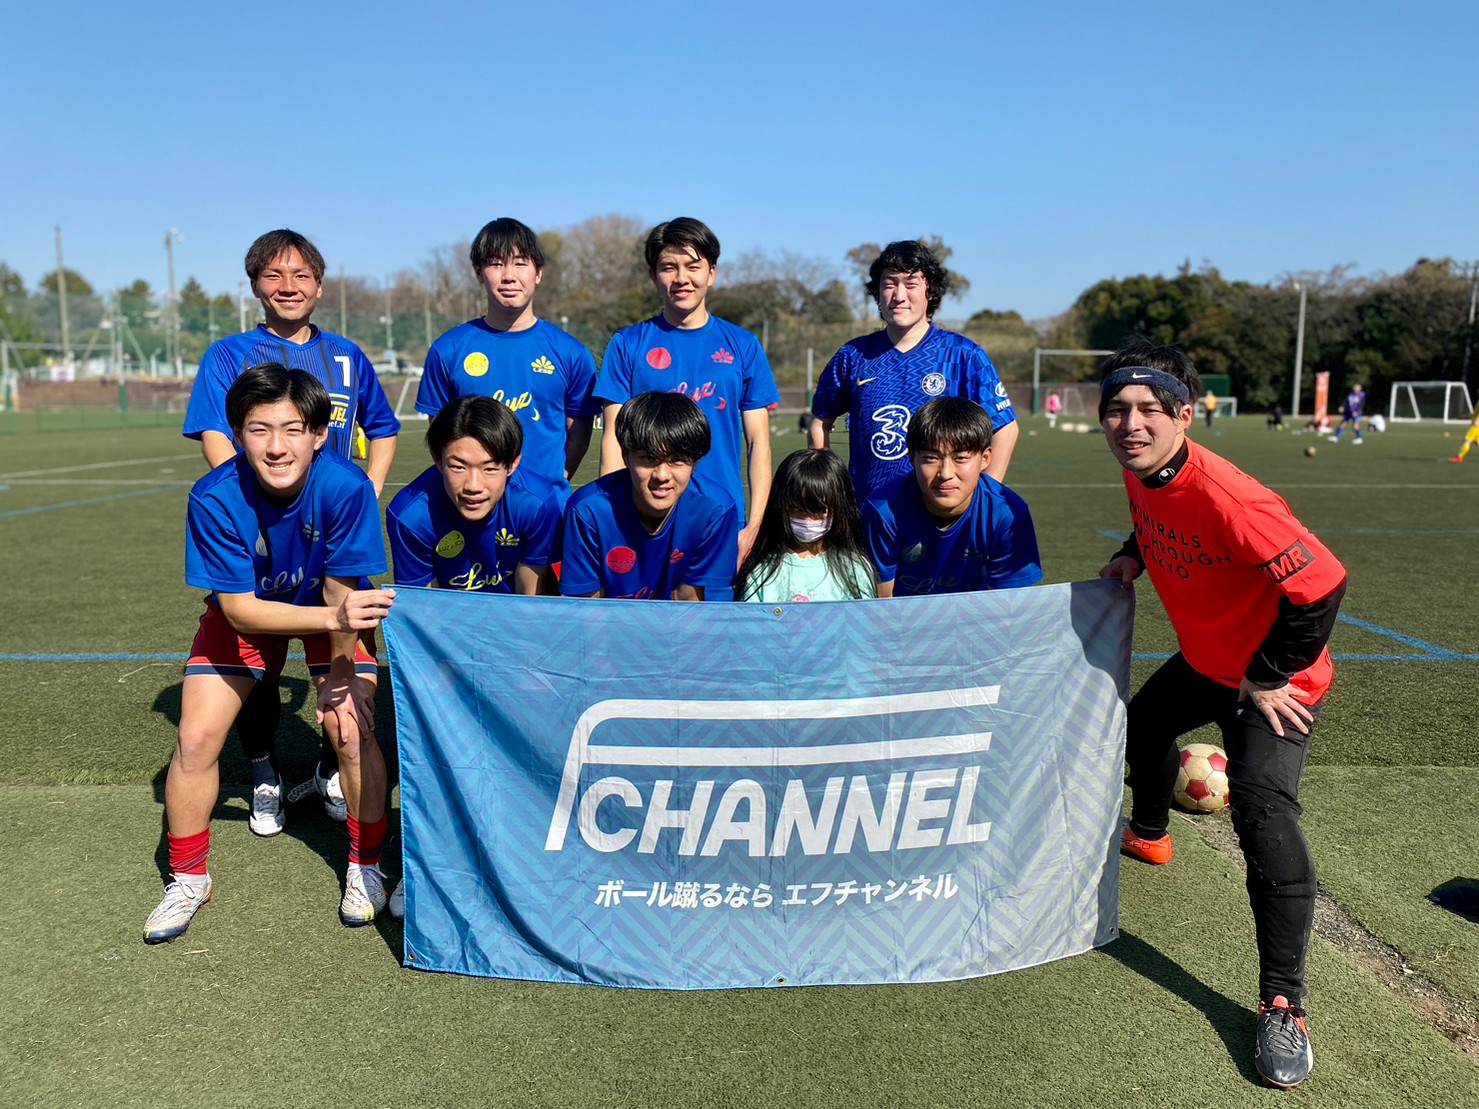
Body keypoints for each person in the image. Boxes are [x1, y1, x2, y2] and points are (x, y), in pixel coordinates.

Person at [1097, 336, 1347, 1089]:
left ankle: (1283, 1003)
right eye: (1116, 409)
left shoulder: (1231, 496)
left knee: (1262, 814)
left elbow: (1323, 584)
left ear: (1182, 415)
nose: (1130, 423)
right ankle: (1150, 834)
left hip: (1272, 681)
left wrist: (1267, 674)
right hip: (1209, 663)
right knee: (1143, 725)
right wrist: (1133, 554)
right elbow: (1154, 517)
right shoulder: (1143, 467)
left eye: (1148, 409)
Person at [144, 366, 397, 944]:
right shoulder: (213, 495)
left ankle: (366, 865)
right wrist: (332, 620)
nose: (276, 446)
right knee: (194, 741)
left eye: (292, 429)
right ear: (237, 434)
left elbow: (341, 593)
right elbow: (239, 612)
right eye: (259, 430)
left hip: (330, 610)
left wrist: (340, 671)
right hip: (261, 613)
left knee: (352, 731)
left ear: (319, 435)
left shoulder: (348, 487)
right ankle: (188, 879)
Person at [182, 229, 400, 836]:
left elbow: (383, 428)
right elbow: (217, 437)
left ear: (320, 286)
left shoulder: (347, 356)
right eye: (274, 275)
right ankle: (263, 771)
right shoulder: (229, 355)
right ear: (255, 285)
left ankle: (331, 768)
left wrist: (367, 490)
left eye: (301, 275)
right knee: (260, 672)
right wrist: (259, 503)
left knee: (344, 675)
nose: (288, 286)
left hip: (333, 536)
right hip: (264, 541)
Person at [594, 217, 780, 568]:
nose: (682, 278)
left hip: (723, 519)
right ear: (653, 275)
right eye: (669, 267)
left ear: (712, 273)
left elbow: (759, 444)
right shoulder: (627, 345)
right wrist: (614, 524)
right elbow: (613, 444)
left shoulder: (743, 345)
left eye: (693, 266)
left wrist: (755, 527)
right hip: (645, 522)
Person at [809, 240, 1019, 505]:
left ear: (930, 290)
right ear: (877, 292)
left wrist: (986, 498)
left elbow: (1006, 428)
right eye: (889, 284)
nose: (898, 295)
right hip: (868, 512)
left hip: (940, 515)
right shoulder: (853, 356)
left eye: (911, 284)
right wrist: (826, 488)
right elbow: (820, 421)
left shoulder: (962, 354)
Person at [415, 217, 597, 504]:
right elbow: (441, 433)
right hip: (474, 506)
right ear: (479, 273)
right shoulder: (448, 350)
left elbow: (579, 432)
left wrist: (555, 483)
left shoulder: (571, 353)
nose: (509, 276)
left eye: (521, 263)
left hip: (547, 511)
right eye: (496, 264)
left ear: (538, 273)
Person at [561, 391, 738, 600]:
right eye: (648, 458)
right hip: (610, 620)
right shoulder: (588, 512)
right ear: (626, 456)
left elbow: (690, 602)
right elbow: (590, 608)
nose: (662, 475)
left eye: (677, 460)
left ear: (695, 462)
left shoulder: (715, 510)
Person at [862, 397, 1041, 597]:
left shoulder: (1007, 514)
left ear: (985, 459)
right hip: (904, 616)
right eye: (931, 458)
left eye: (960, 458)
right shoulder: (883, 512)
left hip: (976, 615)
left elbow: (1008, 604)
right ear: (912, 457)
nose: (945, 473)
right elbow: (883, 603)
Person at [387, 396, 561, 595]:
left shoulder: (535, 504)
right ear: (438, 460)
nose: (473, 486)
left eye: (490, 469)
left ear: (512, 464)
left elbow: (529, 600)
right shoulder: (410, 517)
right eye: (458, 467)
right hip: (447, 614)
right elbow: (425, 606)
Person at [735, 449, 876, 603]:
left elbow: (864, 616)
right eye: (796, 508)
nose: (808, 519)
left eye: (819, 509)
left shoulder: (855, 569)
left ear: (840, 508)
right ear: (780, 506)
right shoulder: (762, 572)